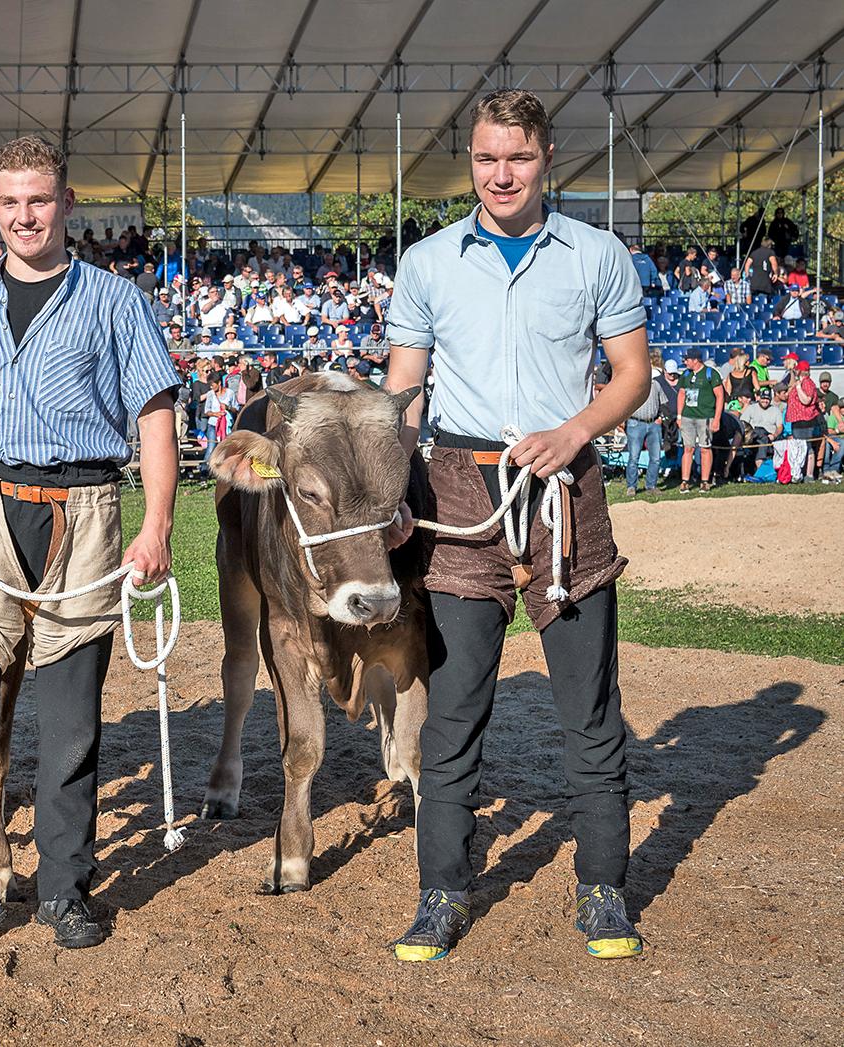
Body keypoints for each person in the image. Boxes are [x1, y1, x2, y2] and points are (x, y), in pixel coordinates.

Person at [383, 89, 650, 962]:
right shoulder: (426, 261)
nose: (501, 173)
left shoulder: (598, 255)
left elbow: (630, 376)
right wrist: (389, 472)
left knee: (588, 707)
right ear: (470, 159)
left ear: (546, 160)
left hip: (563, 491)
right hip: (458, 493)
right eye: (487, 157)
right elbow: (405, 389)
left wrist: (574, 430)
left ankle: (603, 887)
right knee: (453, 708)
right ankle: (440, 894)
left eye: (519, 157)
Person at [0, 136, 179, 963]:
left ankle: (63, 889)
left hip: (85, 508)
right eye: (9, 201)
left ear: (67, 203)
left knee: (68, 725)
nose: (25, 215)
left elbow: (155, 417)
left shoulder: (115, 300)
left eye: (40, 199)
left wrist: (156, 524)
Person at [676, 347, 723, 492]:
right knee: (688, 448)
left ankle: (704, 480)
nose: (685, 362)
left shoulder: (711, 374)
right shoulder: (685, 374)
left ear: (695, 360)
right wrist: (679, 415)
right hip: (687, 416)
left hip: (705, 417)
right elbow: (681, 394)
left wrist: (717, 419)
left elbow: (720, 396)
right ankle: (685, 481)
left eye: (687, 359)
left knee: (705, 448)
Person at [623, 364, 668, 496]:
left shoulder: (656, 385)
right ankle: (631, 486)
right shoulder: (633, 386)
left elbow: (663, 403)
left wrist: (661, 418)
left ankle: (651, 485)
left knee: (655, 457)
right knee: (633, 457)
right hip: (636, 422)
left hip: (653, 423)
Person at [783, 358, 823, 483]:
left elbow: (806, 400)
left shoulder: (807, 383)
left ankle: (809, 475)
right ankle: (798, 473)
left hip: (806, 421)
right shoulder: (799, 382)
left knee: (807, 447)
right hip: (797, 420)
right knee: (799, 447)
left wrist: (799, 387)